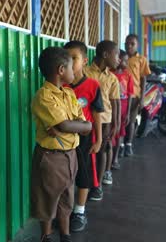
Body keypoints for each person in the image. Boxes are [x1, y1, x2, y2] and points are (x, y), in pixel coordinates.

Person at [31, 47, 92, 242]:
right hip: (51, 157)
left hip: (70, 154)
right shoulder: (44, 96)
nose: (74, 72)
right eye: (71, 68)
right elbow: (68, 123)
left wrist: (66, 127)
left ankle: (65, 236)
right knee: (48, 200)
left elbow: (86, 125)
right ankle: (46, 236)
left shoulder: (69, 94)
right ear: (60, 70)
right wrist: (69, 126)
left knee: (67, 198)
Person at [63, 41, 104, 232]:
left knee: (83, 175)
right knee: (66, 176)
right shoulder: (60, 85)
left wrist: (99, 139)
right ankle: (66, 211)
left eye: (74, 58)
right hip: (63, 139)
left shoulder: (93, 86)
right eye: (67, 58)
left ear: (85, 61)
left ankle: (80, 211)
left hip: (85, 139)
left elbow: (97, 115)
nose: (70, 62)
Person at [84, 40, 120, 200]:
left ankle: (97, 185)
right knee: (87, 151)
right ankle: (86, 182)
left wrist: (116, 122)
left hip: (105, 119)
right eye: (116, 54)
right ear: (105, 55)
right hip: (86, 120)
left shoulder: (112, 78)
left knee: (102, 150)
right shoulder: (84, 72)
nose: (118, 59)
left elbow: (115, 101)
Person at [125, 34, 151, 156]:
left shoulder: (141, 60)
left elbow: (143, 79)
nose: (129, 46)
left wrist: (141, 98)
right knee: (121, 121)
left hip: (134, 95)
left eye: (132, 44)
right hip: (121, 95)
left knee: (130, 121)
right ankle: (119, 145)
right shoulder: (121, 57)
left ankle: (128, 145)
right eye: (127, 43)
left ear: (137, 45)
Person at [111, 50, 134, 169]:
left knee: (120, 133)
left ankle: (115, 159)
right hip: (112, 108)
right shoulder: (110, 74)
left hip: (124, 108)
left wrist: (128, 112)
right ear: (118, 60)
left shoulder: (128, 75)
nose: (126, 63)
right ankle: (109, 159)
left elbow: (130, 94)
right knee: (111, 132)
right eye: (124, 60)